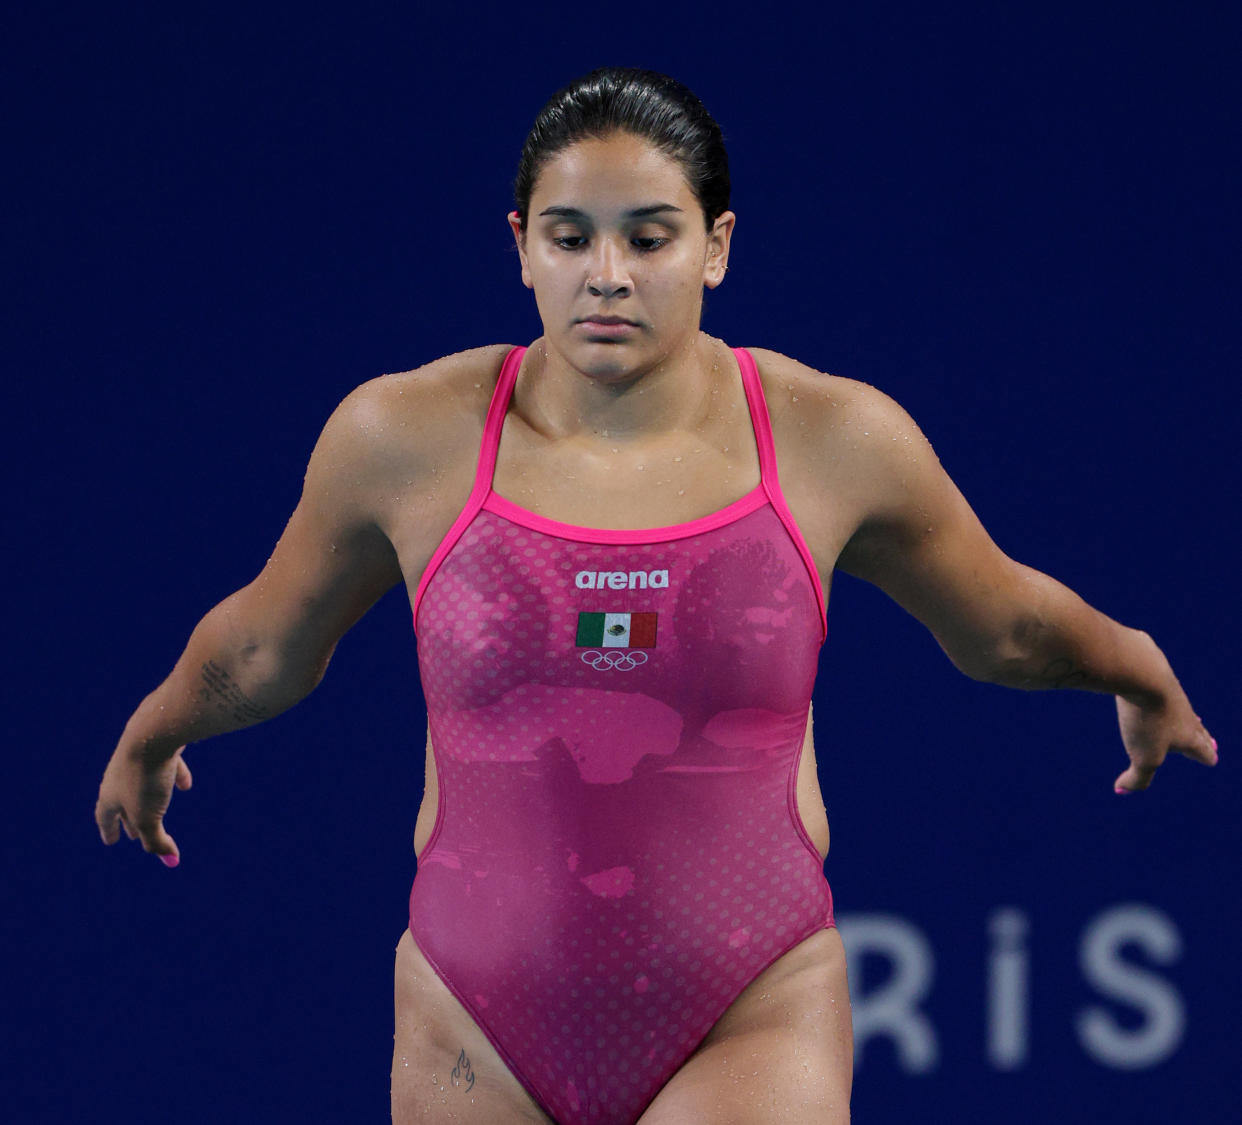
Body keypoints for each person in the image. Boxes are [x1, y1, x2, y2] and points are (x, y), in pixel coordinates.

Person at [95, 67, 1217, 1125]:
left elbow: (1004, 624)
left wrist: (1130, 658)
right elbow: (264, 646)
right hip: (469, 1019)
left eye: (651, 235)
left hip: (751, 1006)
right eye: (570, 237)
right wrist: (158, 731)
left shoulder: (834, 439)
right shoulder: (402, 439)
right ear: (520, 248)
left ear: (717, 246)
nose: (608, 274)